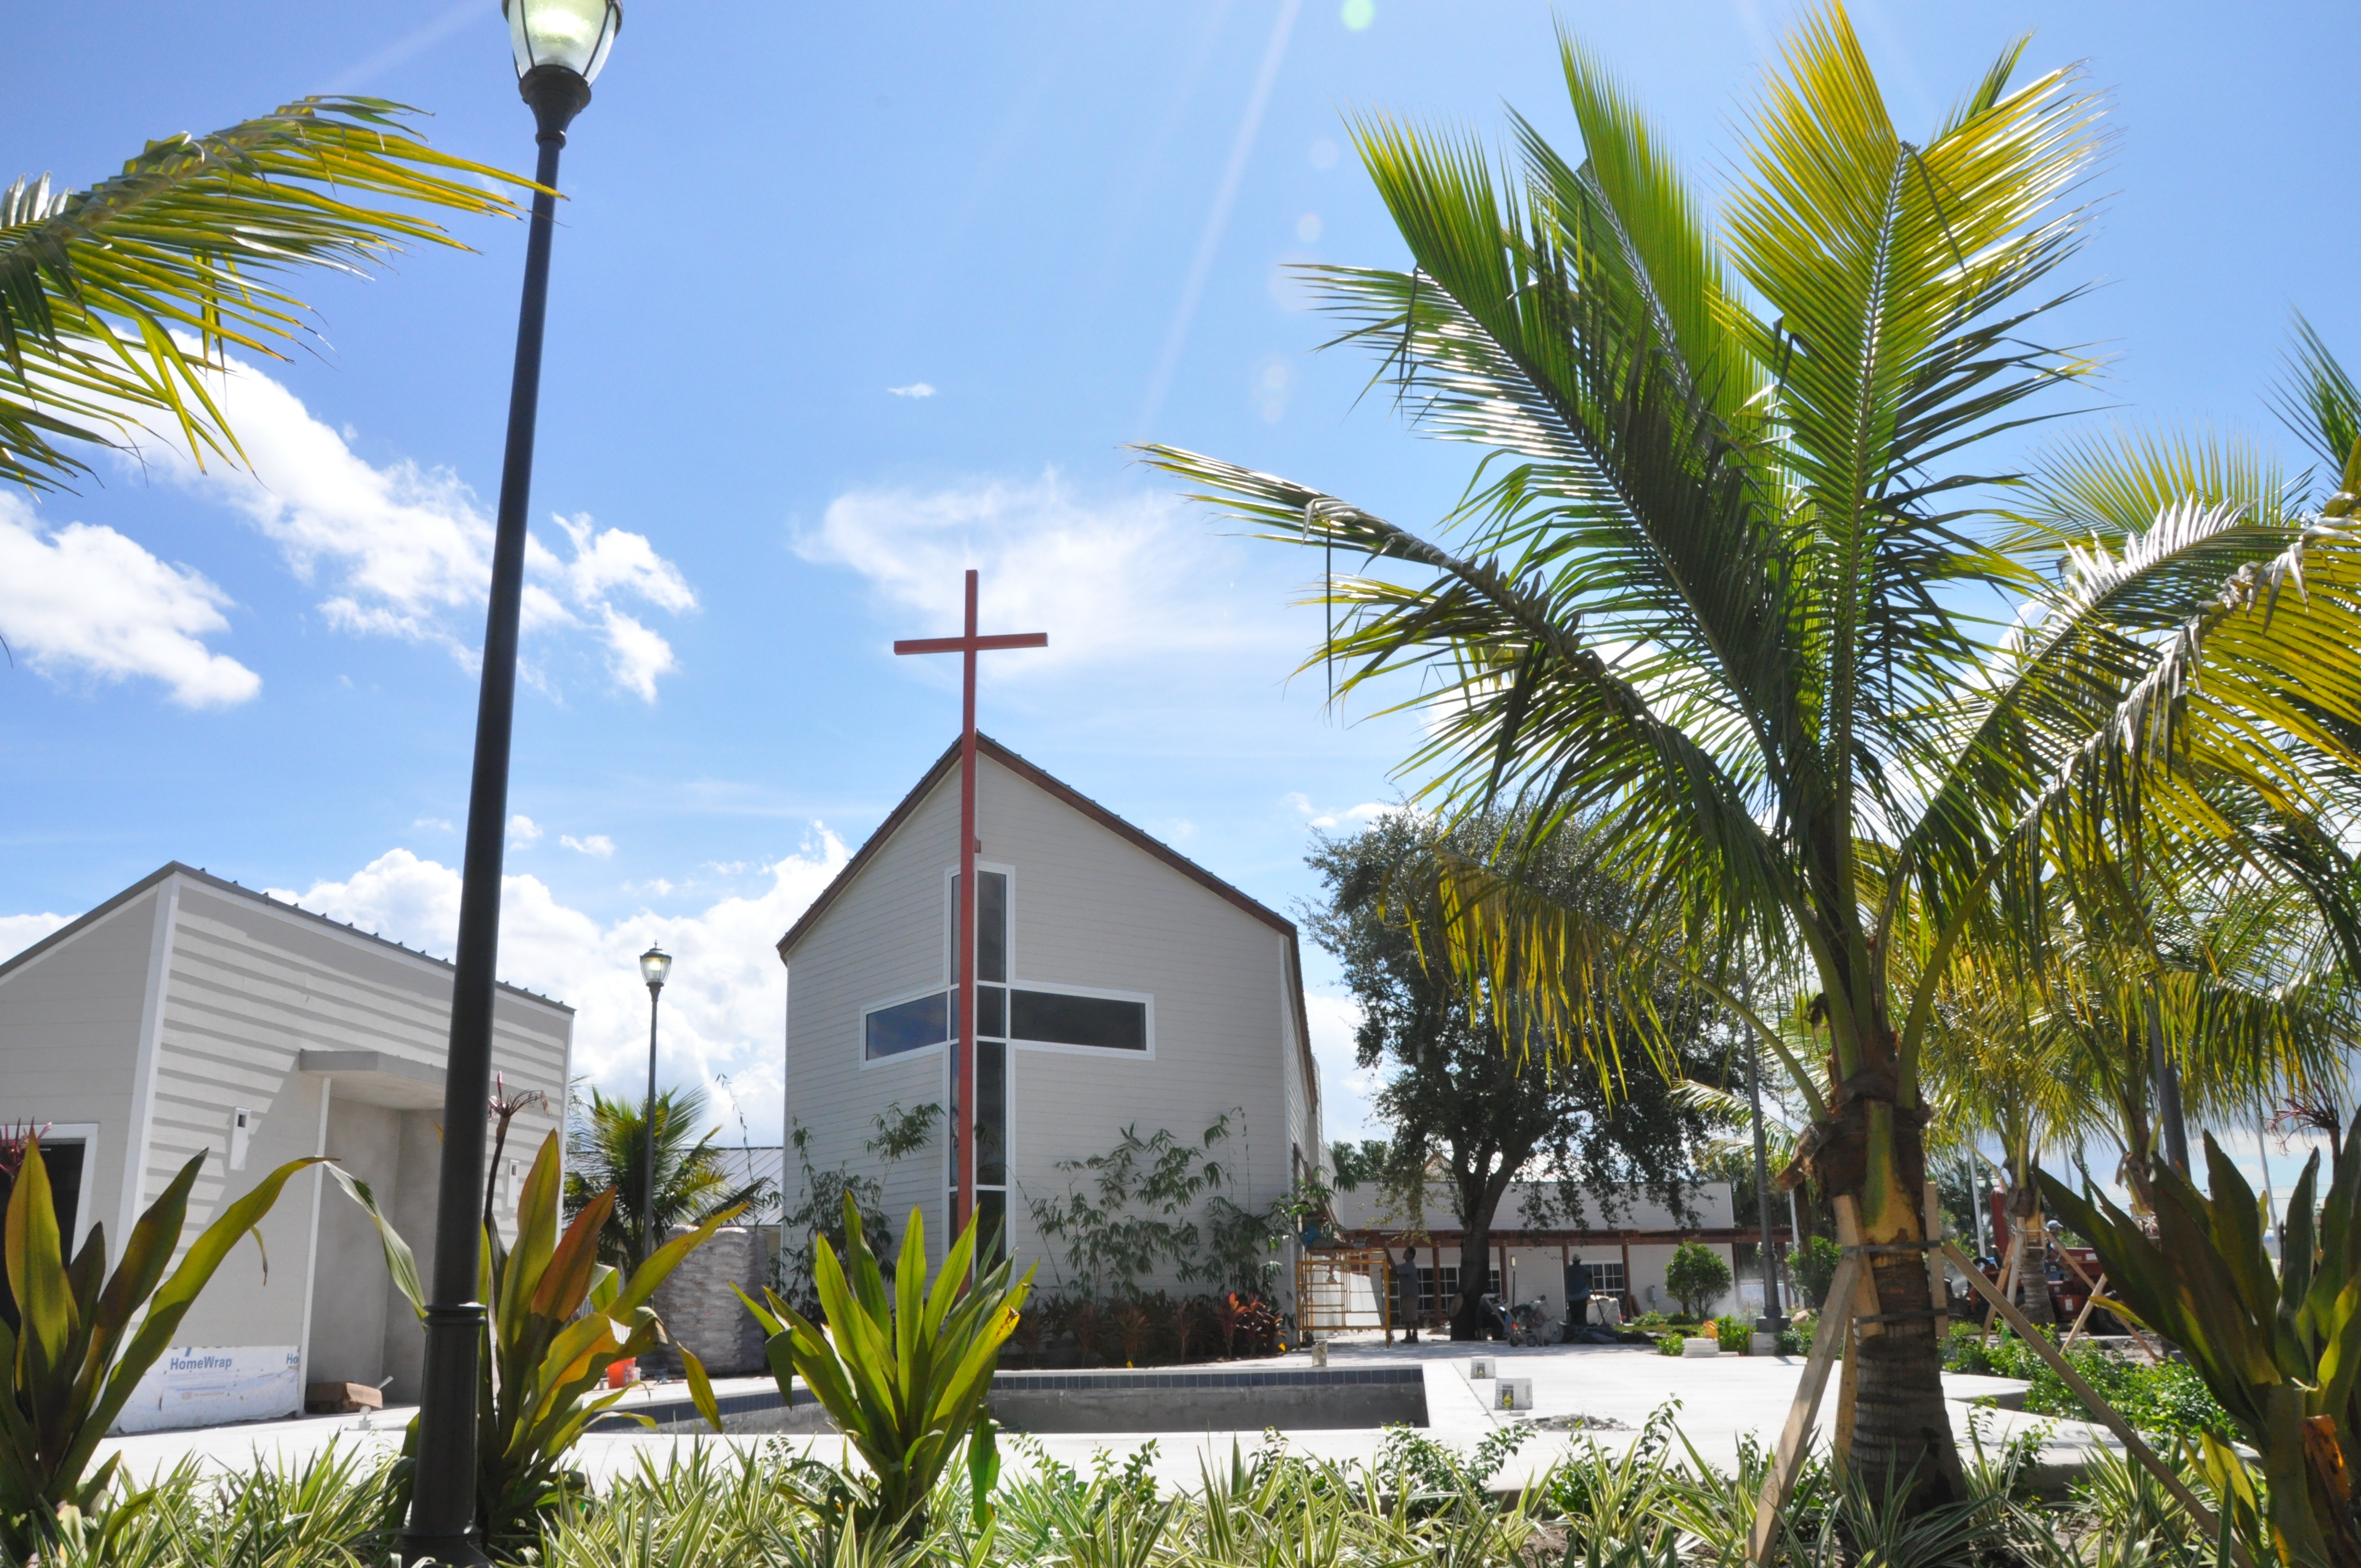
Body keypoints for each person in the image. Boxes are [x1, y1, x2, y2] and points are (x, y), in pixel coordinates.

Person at [1395, 1247, 1422, 1343]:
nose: (1404, 1253)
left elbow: (1395, 1268)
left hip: (1411, 1295)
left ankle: (1415, 1336)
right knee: (1406, 1316)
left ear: (1411, 1255)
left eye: (1406, 1252)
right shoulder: (1407, 1266)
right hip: (1406, 1295)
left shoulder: (1410, 1266)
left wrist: (1388, 1254)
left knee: (1412, 1316)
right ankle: (1408, 1335)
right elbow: (1400, 1276)